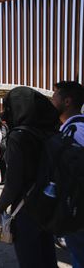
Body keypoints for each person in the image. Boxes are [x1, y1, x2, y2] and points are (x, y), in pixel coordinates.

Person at [0, 86, 59, 267]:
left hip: (27, 208)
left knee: (29, 259)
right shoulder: (48, 132)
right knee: (47, 255)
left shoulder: (19, 136)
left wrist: (0, 206)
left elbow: (13, 182)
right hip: (48, 203)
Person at [51, 81, 84, 268]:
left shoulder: (76, 132)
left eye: (54, 97)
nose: (51, 101)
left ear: (67, 102)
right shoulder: (73, 128)